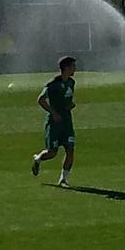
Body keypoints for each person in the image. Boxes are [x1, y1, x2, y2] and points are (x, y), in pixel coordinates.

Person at [32, 56, 78, 185]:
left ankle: (63, 179)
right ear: (66, 67)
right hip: (54, 122)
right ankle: (38, 159)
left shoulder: (71, 82)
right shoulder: (53, 84)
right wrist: (54, 113)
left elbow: (67, 99)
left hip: (67, 122)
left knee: (70, 149)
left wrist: (70, 105)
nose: (75, 69)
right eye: (73, 66)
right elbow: (41, 99)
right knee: (52, 153)